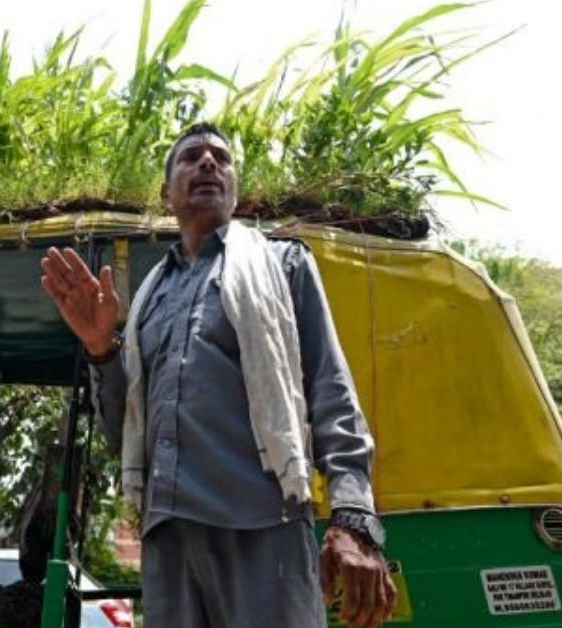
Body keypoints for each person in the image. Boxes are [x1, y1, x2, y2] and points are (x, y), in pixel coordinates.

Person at [39, 123, 394, 628]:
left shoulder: (282, 265)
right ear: (166, 195)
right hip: (168, 545)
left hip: (261, 526)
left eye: (220, 158)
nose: (208, 163)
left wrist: (353, 519)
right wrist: (100, 349)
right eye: (191, 157)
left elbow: (331, 392)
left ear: (236, 190)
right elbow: (126, 434)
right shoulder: (149, 299)